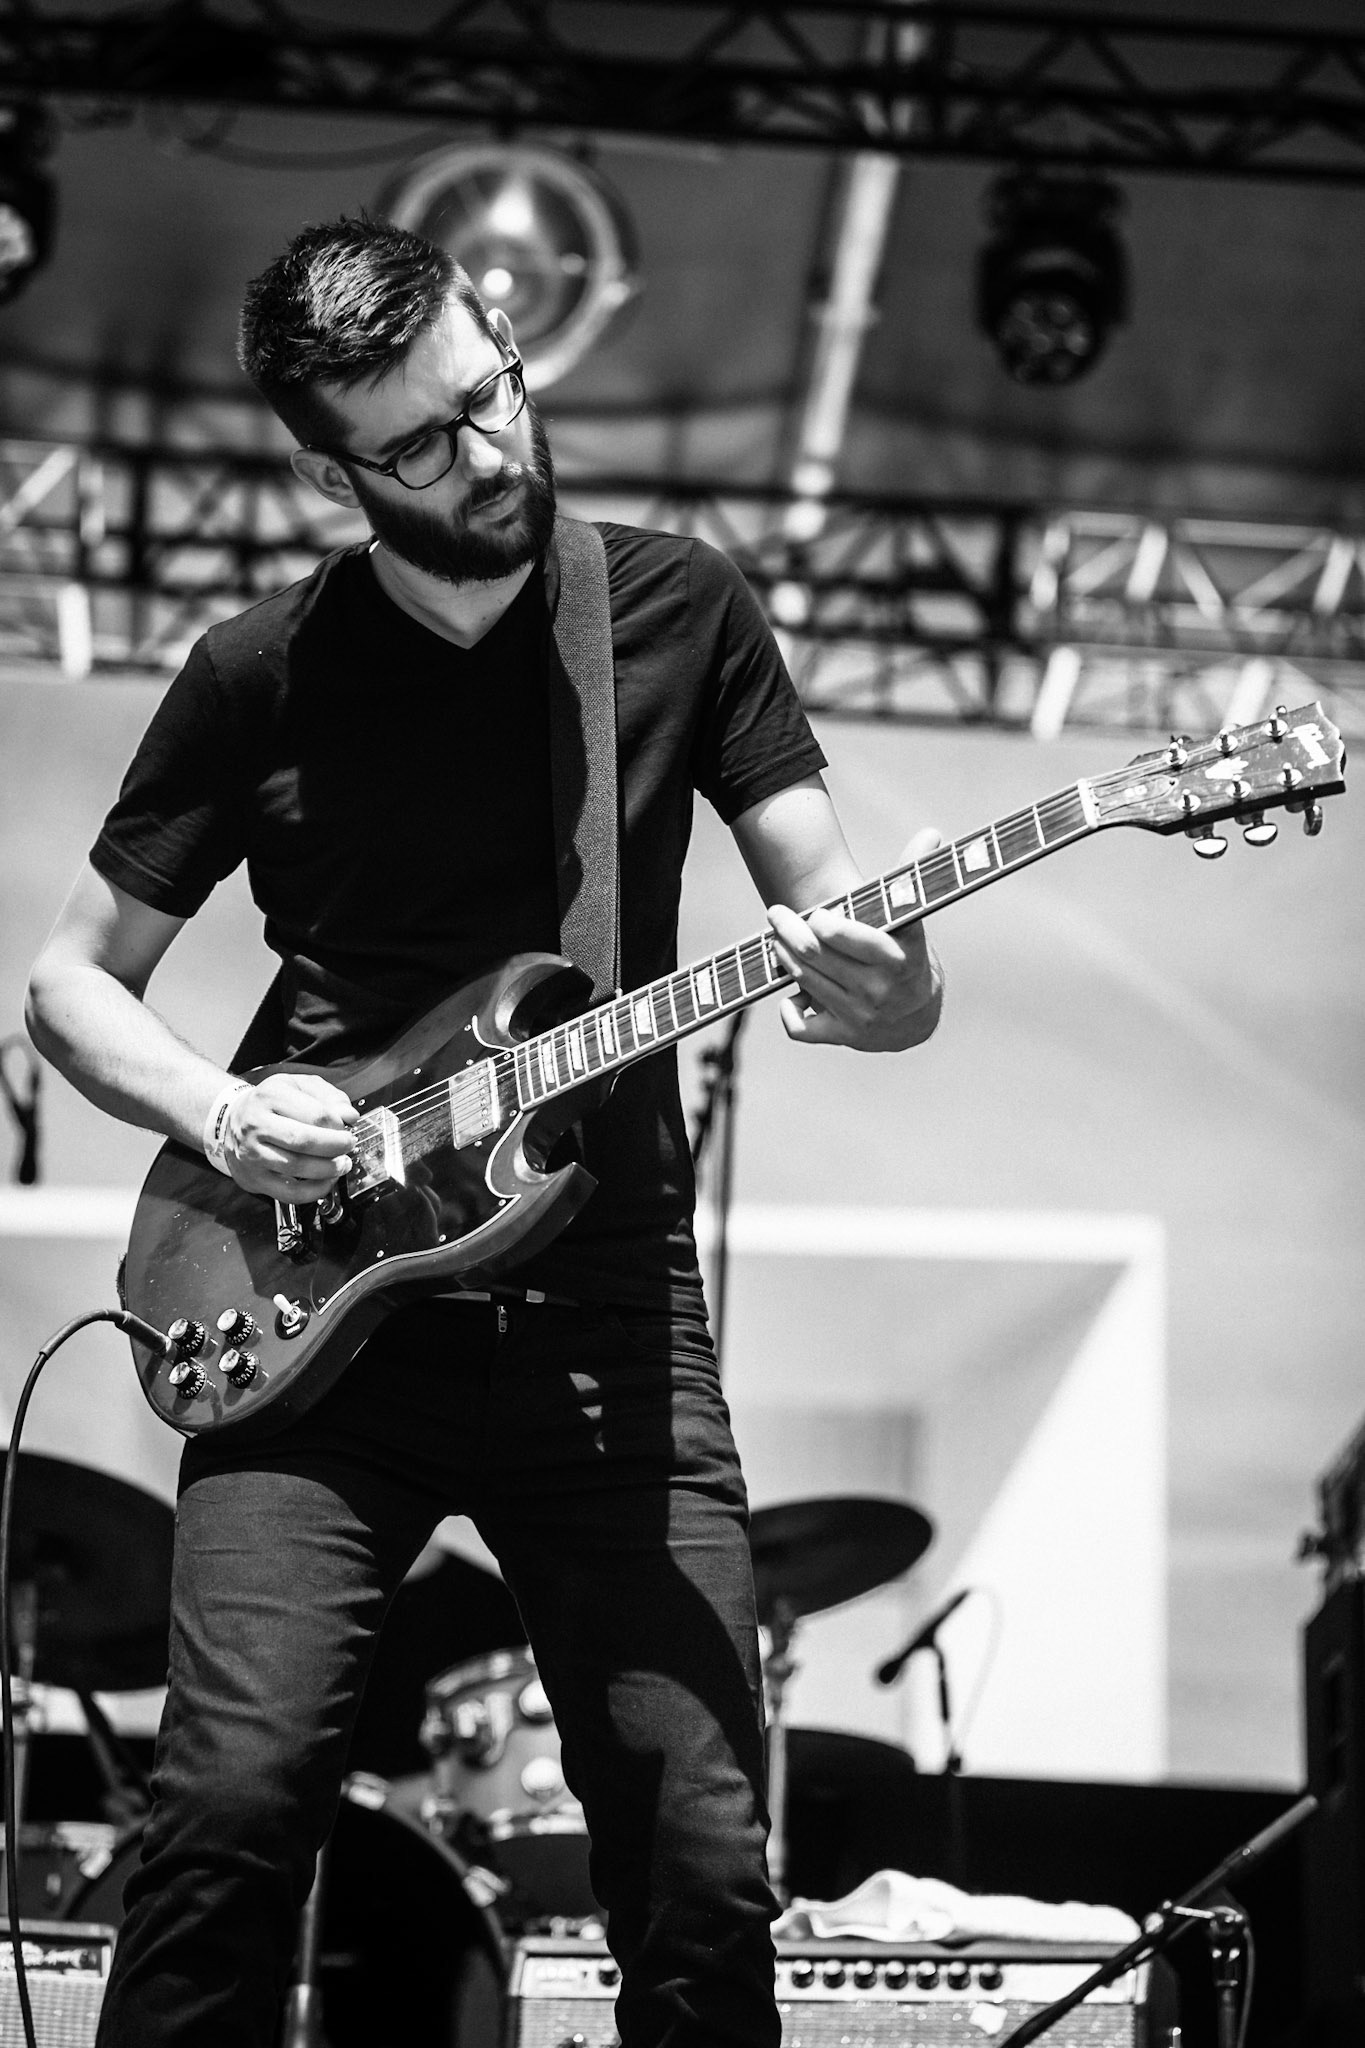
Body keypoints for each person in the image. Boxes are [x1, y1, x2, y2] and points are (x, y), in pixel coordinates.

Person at [25, 215, 943, 2048]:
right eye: (426, 444)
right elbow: (67, 987)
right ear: (327, 468)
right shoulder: (256, 672)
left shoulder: (678, 611)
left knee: (698, 1864)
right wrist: (224, 1107)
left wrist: (883, 988)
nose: (495, 452)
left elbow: (863, 937)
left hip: (603, 1321)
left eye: (493, 394)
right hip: (305, 1324)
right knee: (220, 1823)